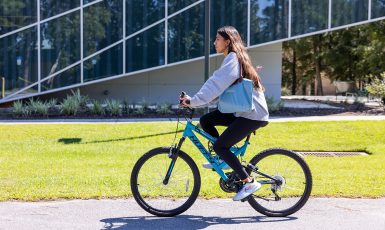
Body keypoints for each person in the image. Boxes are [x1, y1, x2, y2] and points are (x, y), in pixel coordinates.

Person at [179, 26, 269, 201]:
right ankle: (222, 160)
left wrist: (193, 101)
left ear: (227, 41)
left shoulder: (233, 59)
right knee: (206, 120)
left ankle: (248, 181)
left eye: (217, 39)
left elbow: (215, 84)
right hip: (242, 111)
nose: (214, 42)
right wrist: (193, 100)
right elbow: (220, 89)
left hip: (252, 115)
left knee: (221, 146)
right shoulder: (233, 59)